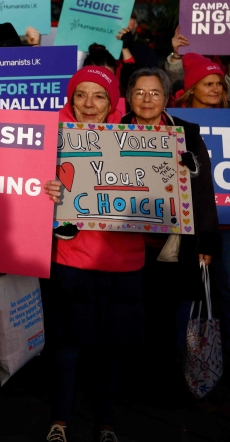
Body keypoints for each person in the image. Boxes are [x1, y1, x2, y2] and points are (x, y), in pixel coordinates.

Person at [43, 65, 138, 442]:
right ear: (70, 98)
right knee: (66, 346)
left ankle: (106, 423)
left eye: (99, 95)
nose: (88, 103)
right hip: (69, 259)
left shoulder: (136, 136)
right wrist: (43, 187)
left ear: (112, 101)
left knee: (110, 349)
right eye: (80, 94)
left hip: (122, 261)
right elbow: (22, 181)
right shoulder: (51, 132)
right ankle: (59, 421)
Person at [119, 68, 219, 406]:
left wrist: (206, 242)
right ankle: (125, 381)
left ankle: (161, 384)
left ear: (166, 97)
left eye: (155, 93)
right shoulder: (110, 132)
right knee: (129, 316)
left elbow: (203, 191)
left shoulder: (186, 133)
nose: (147, 99)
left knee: (163, 318)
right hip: (124, 246)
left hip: (170, 248)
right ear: (129, 97)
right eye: (140, 93)